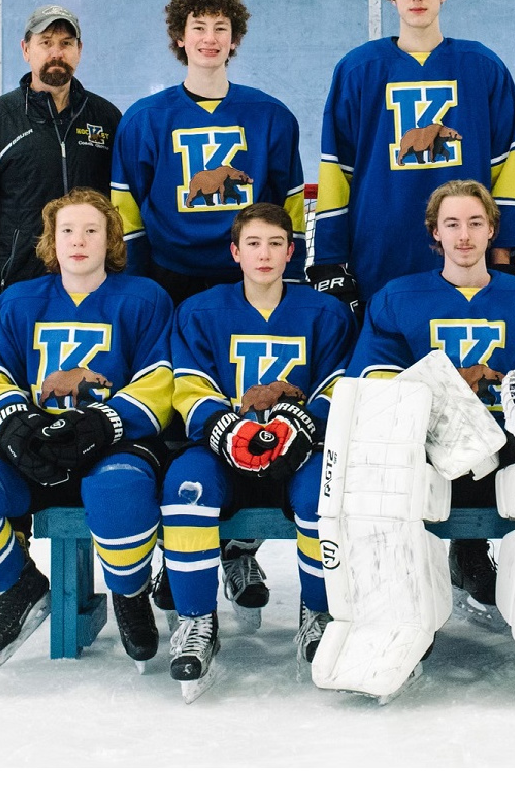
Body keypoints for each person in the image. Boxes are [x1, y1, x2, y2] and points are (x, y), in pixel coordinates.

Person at [0, 189, 175, 669]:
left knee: (120, 492)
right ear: (50, 240)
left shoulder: (144, 299)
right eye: (67, 231)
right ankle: (19, 588)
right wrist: (15, 424)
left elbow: (160, 379)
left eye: (91, 230)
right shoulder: (19, 300)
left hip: (112, 448)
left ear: (111, 239)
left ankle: (128, 594)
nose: (78, 241)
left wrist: (102, 423)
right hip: (32, 449)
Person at [347, 180, 515, 626]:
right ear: (434, 232)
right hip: (431, 453)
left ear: (492, 230)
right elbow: (373, 381)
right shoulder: (397, 298)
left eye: (475, 223)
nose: (464, 236)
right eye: (451, 224)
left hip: (514, 450)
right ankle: (405, 607)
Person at [157, 201, 356, 697]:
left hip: (300, 449)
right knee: (186, 491)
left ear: (291, 252)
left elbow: (338, 385)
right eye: (253, 244)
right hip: (221, 446)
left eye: (274, 244)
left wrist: (304, 423)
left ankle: (318, 612)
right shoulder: (200, 310)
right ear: (235, 252)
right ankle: (197, 622)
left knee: (322, 499)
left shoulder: (325, 311)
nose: (264, 254)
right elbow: (190, 387)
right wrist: (226, 427)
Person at [314, 0, 515, 314]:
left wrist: (503, 254)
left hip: (466, 254)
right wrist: (331, 261)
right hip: (379, 251)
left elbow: (506, 166)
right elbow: (337, 168)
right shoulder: (357, 70)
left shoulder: (483, 66)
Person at [0, 5, 123, 367]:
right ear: (26, 49)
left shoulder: (106, 119)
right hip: (18, 288)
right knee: (16, 397)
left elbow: (121, 205)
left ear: (79, 50)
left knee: (87, 390)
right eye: (46, 43)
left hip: (92, 287)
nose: (56, 53)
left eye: (66, 42)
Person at [111, 0, 307, 306]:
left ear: (235, 39)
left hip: (248, 273)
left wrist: (293, 273)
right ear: (180, 36)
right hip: (168, 275)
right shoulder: (144, 119)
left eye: (220, 28)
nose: (209, 38)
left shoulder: (272, 116)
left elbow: (290, 202)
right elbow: (126, 207)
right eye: (198, 27)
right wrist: (133, 279)